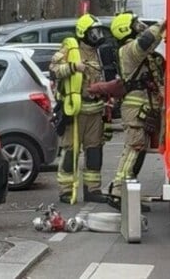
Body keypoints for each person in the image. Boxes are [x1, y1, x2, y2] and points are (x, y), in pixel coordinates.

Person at [97, 12, 165, 210]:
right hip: (135, 109)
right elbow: (146, 41)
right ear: (126, 29)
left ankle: (129, 193)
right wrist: (164, 23)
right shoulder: (128, 50)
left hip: (144, 107)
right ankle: (118, 191)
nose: (139, 26)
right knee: (133, 149)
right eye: (135, 24)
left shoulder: (138, 54)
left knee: (138, 151)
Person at [50, 13, 109, 204]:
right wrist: (74, 66)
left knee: (94, 152)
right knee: (70, 152)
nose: (98, 36)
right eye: (94, 33)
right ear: (84, 33)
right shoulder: (70, 49)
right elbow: (53, 70)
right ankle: (66, 190)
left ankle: (92, 190)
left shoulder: (99, 53)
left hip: (95, 109)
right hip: (75, 110)